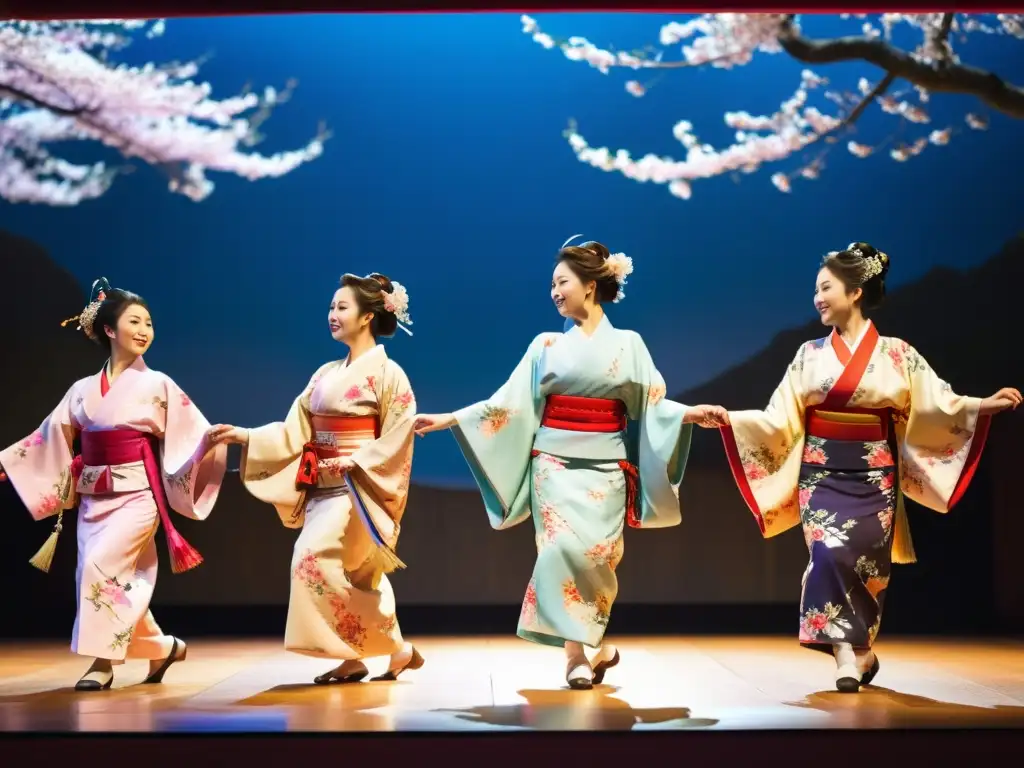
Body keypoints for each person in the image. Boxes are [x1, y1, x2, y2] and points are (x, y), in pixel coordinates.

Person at [705, 243, 1020, 693]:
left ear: (855, 292)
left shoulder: (896, 353)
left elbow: (937, 402)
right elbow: (779, 417)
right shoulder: (808, 355)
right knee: (829, 553)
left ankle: (862, 648)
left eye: (826, 287)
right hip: (822, 473)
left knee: (868, 566)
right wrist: (733, 420)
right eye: (815, 289)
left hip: (875, 475)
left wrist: (982, 406)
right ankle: (845, 655)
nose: (817, 298)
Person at [414, 237, 722, 690]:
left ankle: (595, 644)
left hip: (607, 468)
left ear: (591, 286)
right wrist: (451, 419)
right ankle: (576, 654)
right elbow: (509, 404)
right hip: (554, 466)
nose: (555, 292)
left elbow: (653, 402)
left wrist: (689, 414)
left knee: (598, 555)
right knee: (561, 549)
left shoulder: (629, 344)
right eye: (552, 284)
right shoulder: (546, 345)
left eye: (562, 282)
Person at [0, 279, 228, 691]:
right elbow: (49, 436)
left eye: (149, 323)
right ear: (110, 329)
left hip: (138, 498)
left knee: (99, 569)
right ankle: (162, 647)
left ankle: (102, 663)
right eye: (135, 321)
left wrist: (209, 442)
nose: (144, 330)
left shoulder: (157, 384)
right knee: (114, 578)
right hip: (93, 500)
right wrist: (10, 464)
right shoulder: (82, 390)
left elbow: (191, 430)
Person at [206, 273, 422, 684]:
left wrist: (358, 461)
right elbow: (294, 431)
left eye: (342, 307)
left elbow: (399, 434)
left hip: (357, 489)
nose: (332, 315)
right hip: (322, 486)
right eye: (330, 307)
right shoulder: (324, 373)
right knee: (353, 574)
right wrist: (246, 435)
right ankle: (377, 653)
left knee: (310, 560)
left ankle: (384, 648)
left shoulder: (389, 374)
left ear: (367, 317)